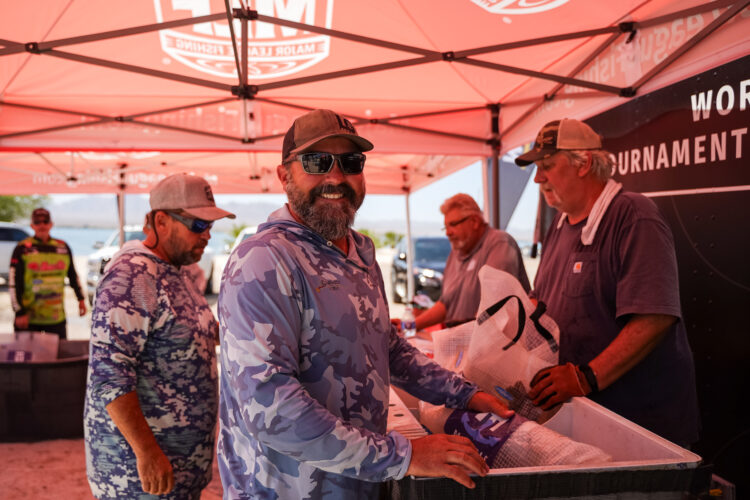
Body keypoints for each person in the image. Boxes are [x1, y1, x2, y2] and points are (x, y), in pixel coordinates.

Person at [217, 109, 513, 499]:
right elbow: (270, 408)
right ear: (284, 175)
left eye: (351, 162)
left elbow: (387, 348)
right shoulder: (264, 261)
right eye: (317, 162)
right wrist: (402, 456)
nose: (336, 177)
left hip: (358, 482)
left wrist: (463, 394)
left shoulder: (359, 252)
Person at [516, 118, 699, 447]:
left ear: (584, 163)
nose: (538, 179)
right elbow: (540, 302)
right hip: (587, 420)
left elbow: (654, 317)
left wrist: (585, 377)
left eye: (547, 166)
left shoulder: (634, 215)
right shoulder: (558, 225)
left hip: (642, 425)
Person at [84, 173, 235, 499]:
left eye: (210, 225)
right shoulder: (132, 274)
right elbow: (109, 376)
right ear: (161, 221)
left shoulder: (178, 271)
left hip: (182, 466)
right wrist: (147, 453)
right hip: (139, 476)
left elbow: (191, 335)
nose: (207, 235)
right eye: (198, 225)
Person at [410, 193, 530, 331]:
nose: (448, 233)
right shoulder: (455, 254)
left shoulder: (499, 243)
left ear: (474, 221)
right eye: (446, 227)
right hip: (460, 346)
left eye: (453, 225)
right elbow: (445, 304)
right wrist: (410, 325)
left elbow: (494, 307)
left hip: (493, 348)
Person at [9, 207, 86, 339]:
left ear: (51, 224)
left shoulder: (62, 247)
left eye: (45, 221)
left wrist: (81, 299)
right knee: (26, 358)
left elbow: (73, 275)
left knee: (58, 357)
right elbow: (13, 282)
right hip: (29, 319)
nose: (42, 225)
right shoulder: (22, 248)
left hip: (56, 318)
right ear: (32, 225)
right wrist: (19, 312)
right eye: (37, 222)